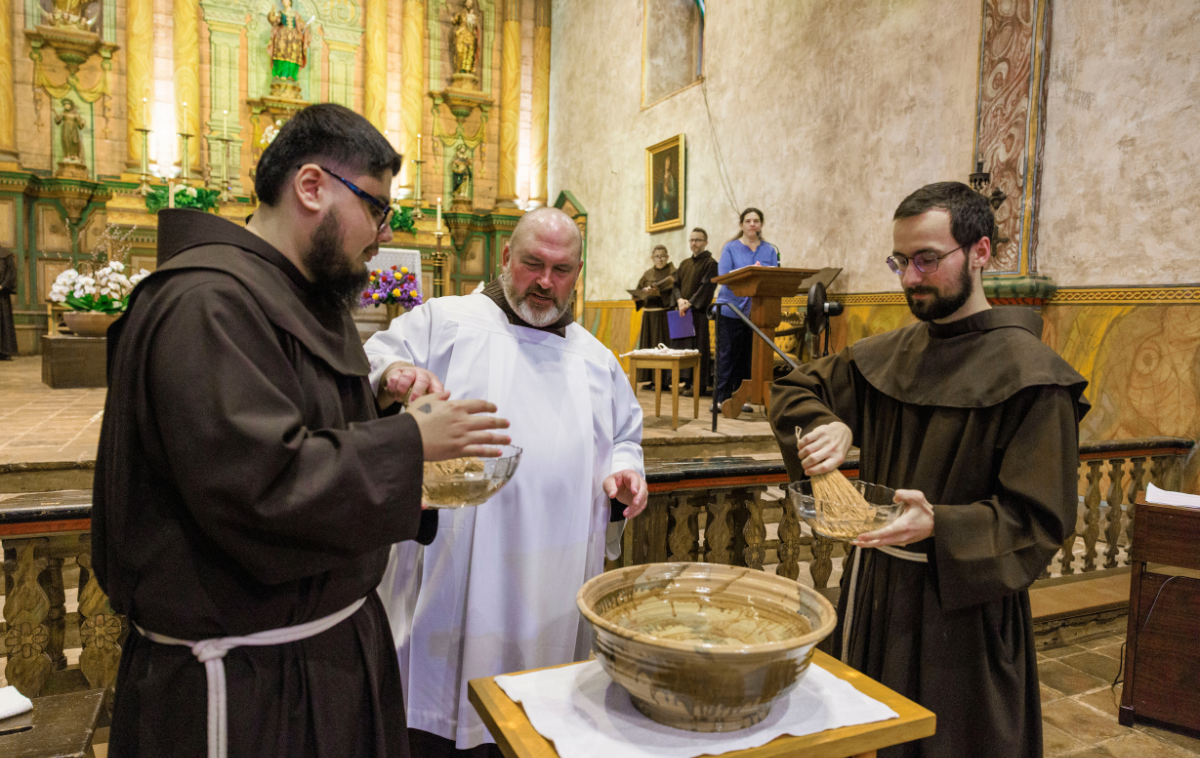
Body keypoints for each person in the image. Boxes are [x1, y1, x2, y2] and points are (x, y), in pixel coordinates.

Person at [92, 103, 510, 758]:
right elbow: (256, 484)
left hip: (317, 653)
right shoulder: (207, 301)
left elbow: (297, 422)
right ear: (312, 187)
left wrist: (380, 400)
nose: (381, 234)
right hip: (248, 685)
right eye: (376, 208)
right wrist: (412, 442)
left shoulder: (291, 292)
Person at [769, 182, 1089, 758]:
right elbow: (795, 388)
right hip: (874, 597)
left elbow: (1039, 520)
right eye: (900, 261)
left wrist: (941, 522)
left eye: (927, 260)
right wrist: (828, 423)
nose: (910, 278)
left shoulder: (1034, 378)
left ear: (982, 252)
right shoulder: (889, 353)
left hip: (963, 620)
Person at [365, 207, 649, 758]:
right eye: (533, 264)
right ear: (504, 259)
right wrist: (394, 377)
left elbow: (625, 437)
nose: (546, 282)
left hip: (556, 570)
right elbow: (377, 356)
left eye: (562, 269)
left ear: (578, 273)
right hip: (456, 568)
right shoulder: (443, 320)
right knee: (442, 722)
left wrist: (627, 474)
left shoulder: (596, 359)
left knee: (540, 718)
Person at [713, 207, 778, 408]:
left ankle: (742, 399)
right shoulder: (730, 248)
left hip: (757, 313)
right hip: (730, 310)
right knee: (727, 356)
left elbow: (774, 278)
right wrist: (750, 272)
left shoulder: (769, 249)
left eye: (756, 221)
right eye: (748, 221)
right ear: (741, 225)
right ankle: (720, 399)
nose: (752, 224)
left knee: (747, 358)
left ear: (761, 225)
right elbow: (724, 276)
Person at [672, 228, 718, 396]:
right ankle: (686, 382)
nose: (694, 243)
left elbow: (706, 287)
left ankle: (698, 384)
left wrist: (690, 303)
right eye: (691, 240)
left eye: (698, 240)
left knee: (697, 349)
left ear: (705, 242)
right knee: (682, 348)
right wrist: (679, 301)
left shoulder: (711, 264)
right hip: (683, 312)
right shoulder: (684, 264)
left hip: (697, 313)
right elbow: (676, 285)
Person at [632, 244, 676, 388]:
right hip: (649, 317)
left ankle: (664, 381)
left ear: (667, 257)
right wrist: (639, 295)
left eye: (663, 256)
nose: (660, 259)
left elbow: (676, 294)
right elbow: (638, 292)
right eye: (657, 256)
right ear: (652, 258)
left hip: (664, 316)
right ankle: (652, 380)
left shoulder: (673, 273)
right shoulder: (647, 274)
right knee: (650, 346)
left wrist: (659, 294)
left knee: (661, 346)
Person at [0, 248, 16, 360]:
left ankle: (4, 351)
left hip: (2, 295)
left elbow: (11, 272)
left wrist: (2, 286)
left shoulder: (6, 255)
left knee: (3, 323)